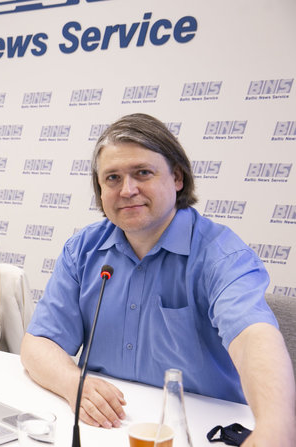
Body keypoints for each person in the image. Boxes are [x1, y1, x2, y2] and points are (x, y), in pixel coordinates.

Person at [21, 113, 295, 446]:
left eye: (143, 173)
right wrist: (72, 383)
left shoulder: (220, 254)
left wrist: (275, 428)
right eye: (112, 178)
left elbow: (254, 338)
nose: (127, 190)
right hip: (103, 427)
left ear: (177, 178)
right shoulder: (83, 249)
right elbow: (38, 343)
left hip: (194, 430)